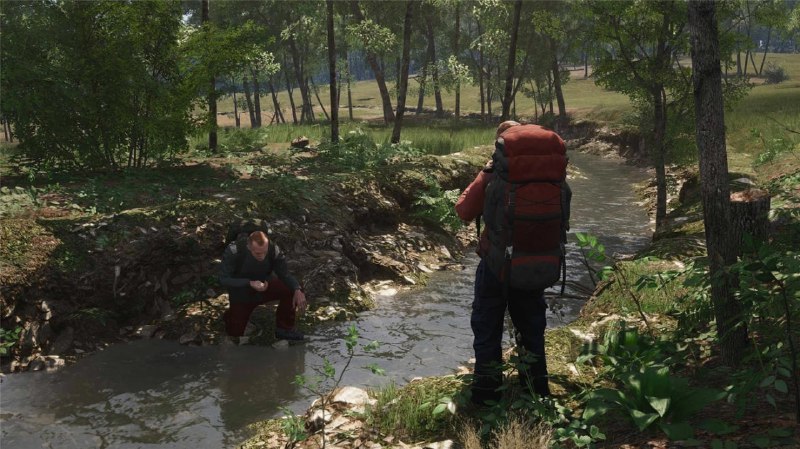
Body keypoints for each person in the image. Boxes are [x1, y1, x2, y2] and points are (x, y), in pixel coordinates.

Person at [455, 120, 571, 405]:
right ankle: (536, 391)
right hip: (538, 262)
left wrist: (485, 172)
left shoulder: (494, 174)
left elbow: (464, 210)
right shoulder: (554, 177)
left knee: (487, 324)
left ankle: (486, 395)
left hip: (496, 265)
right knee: (532, 326)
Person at [219, 230, 307, 341]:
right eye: (258, 253)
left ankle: (284, 329)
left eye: (264, 252)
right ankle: (230, 315)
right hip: (241, 293)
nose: (262, 256)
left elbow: (284, 275)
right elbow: (224, 279)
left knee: (292, 288)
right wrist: (249, 283)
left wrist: (297, 289)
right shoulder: (235, 251)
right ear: (249, 247)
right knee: (235, 334)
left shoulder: (273, 250)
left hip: (265, 286)